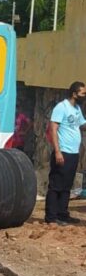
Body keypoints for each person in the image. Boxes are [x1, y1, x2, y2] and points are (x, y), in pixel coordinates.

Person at [45, 81, 86, 225]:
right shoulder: (61, 107)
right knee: (56, 185)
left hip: (73, 153)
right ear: (74, 94)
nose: (84, 96)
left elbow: (81, 125)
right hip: (63, 152)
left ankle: (63, 214)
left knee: (67, 186)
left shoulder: (77, 109)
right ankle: (51, 217)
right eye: (82, 93)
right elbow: (53, 129)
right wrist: (57, 151)